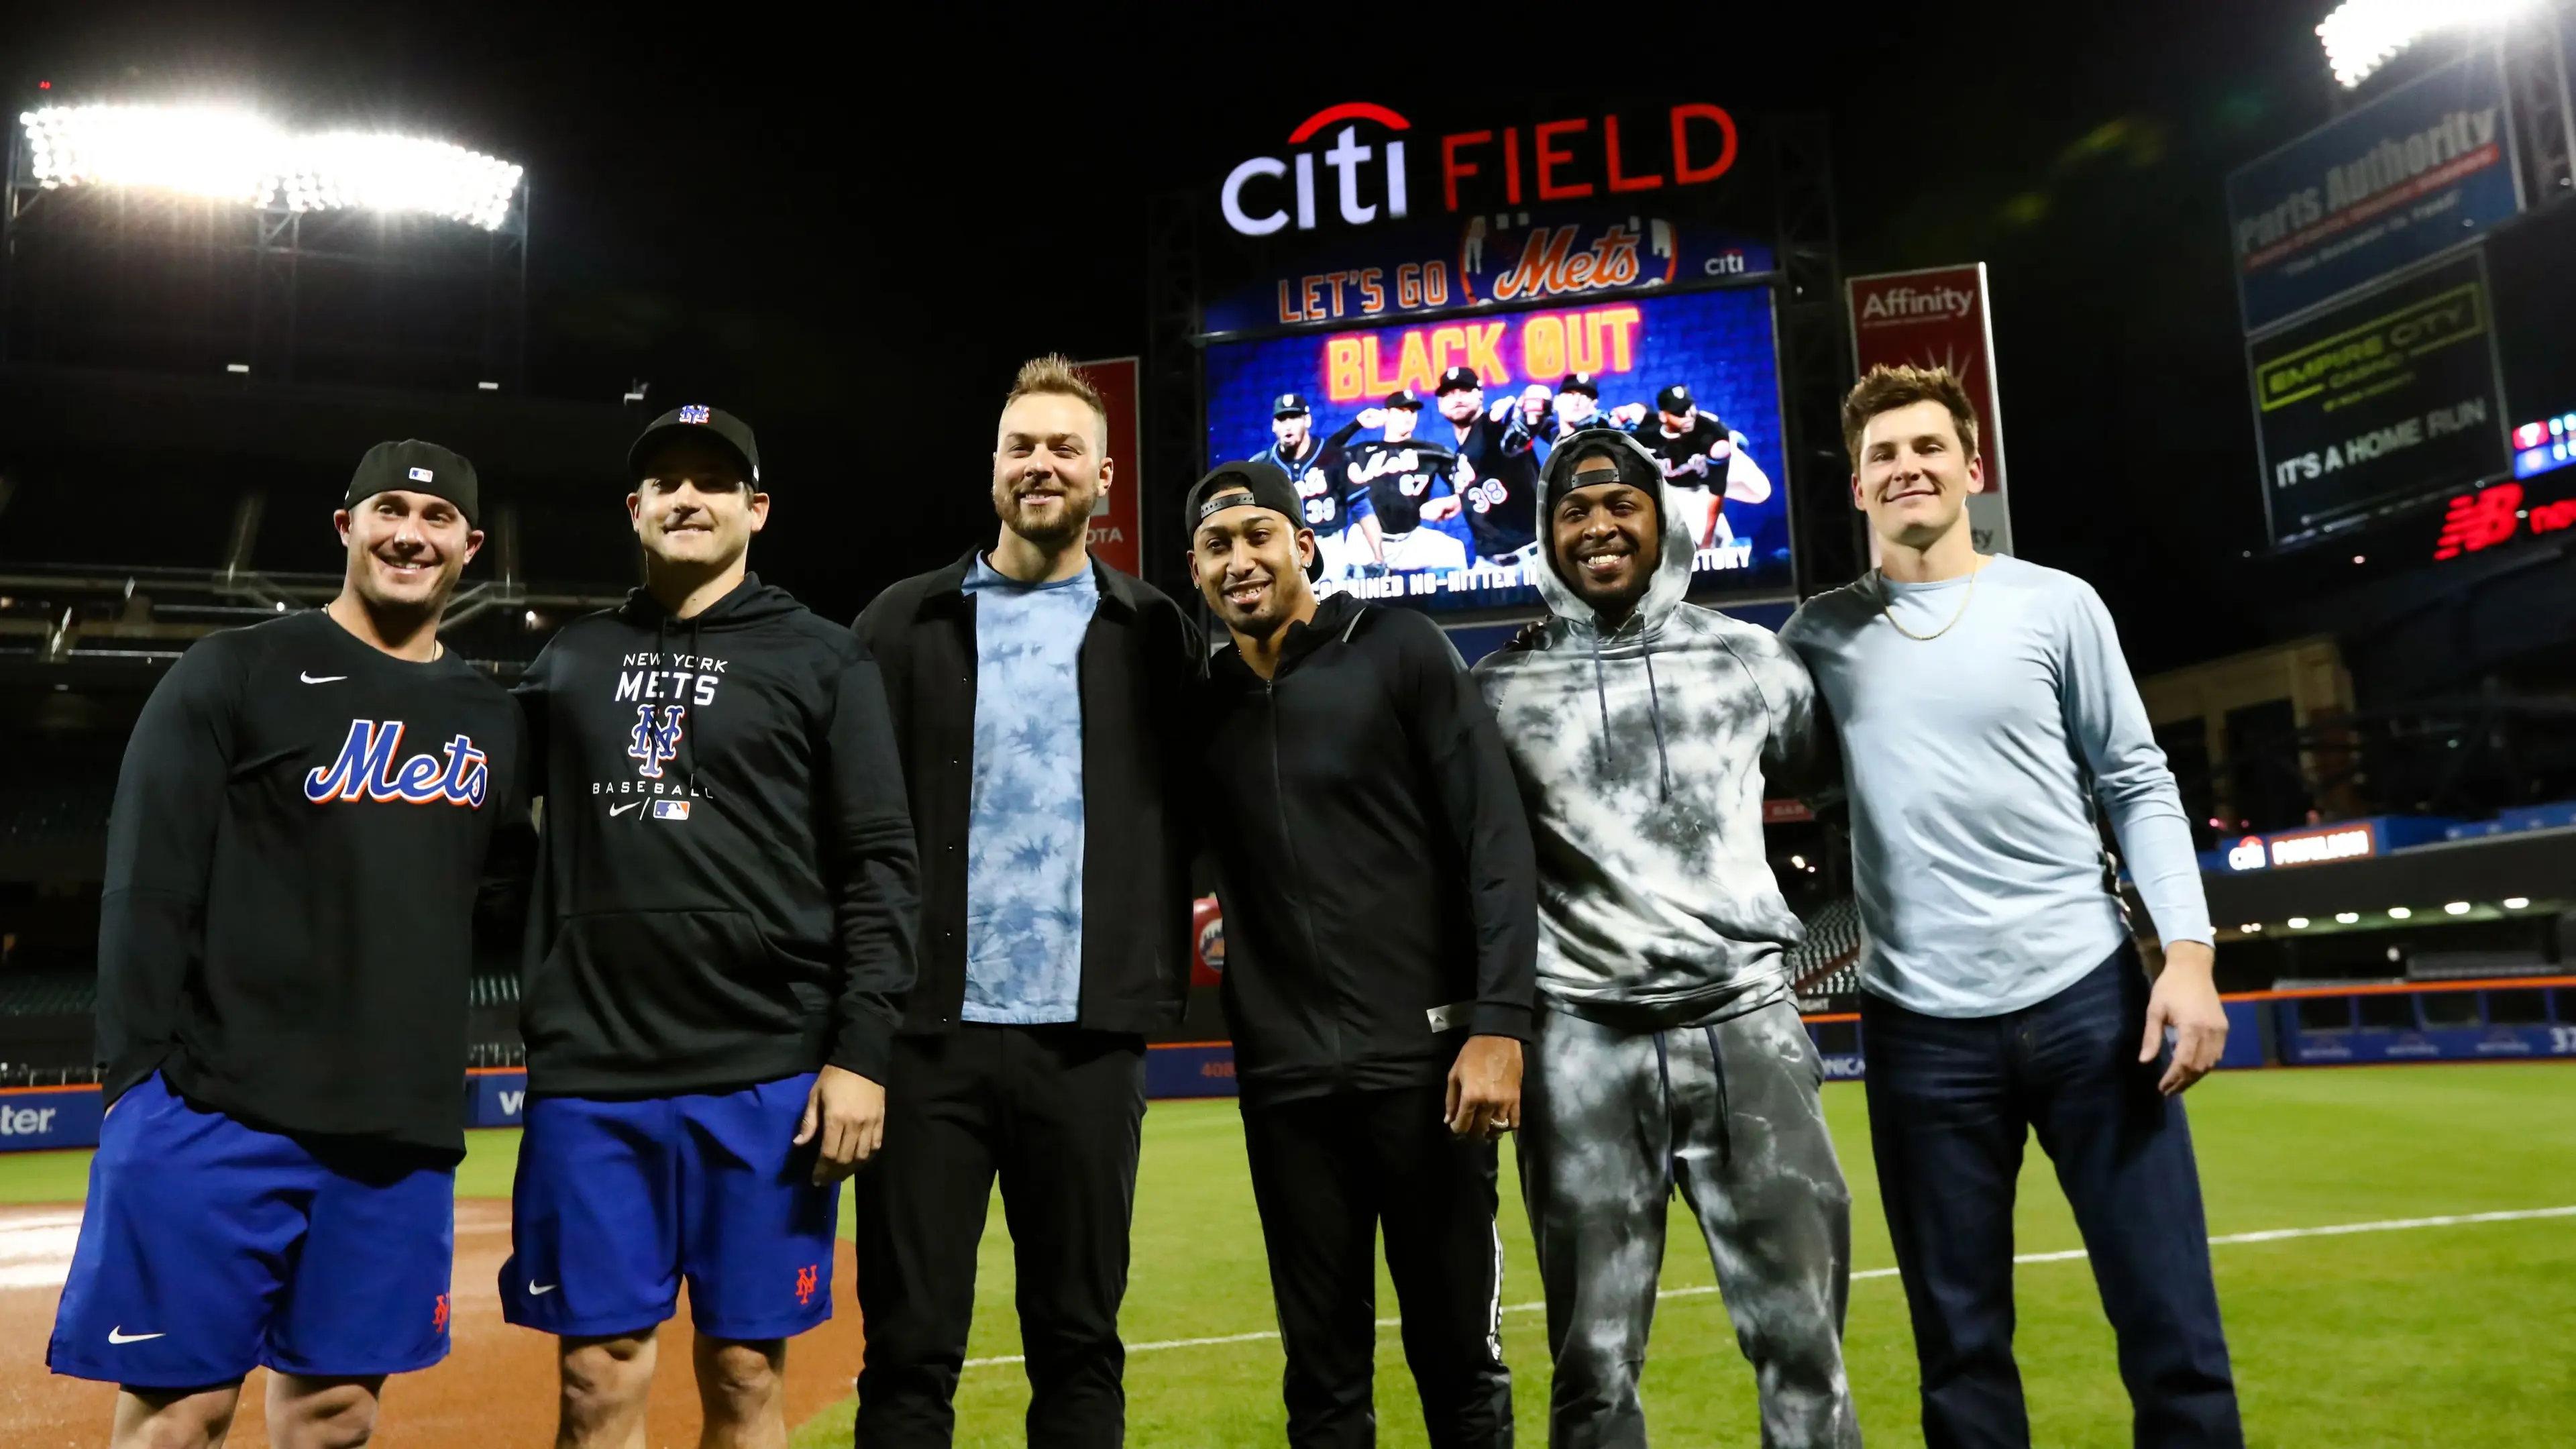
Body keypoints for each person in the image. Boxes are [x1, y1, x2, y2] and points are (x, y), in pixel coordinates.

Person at [1779, 364, 2241, 1448]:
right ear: (1858, 487)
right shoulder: (1818, 636)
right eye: (1883, 455)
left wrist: (2187, 955)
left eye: (1927, 447)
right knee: (1962, 1356)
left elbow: (2136, 780)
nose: (1907, 468)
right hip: (1918, 1031)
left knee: (2173, 1327)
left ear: (1970, 468)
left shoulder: (2055, 603)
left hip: (2090, 1005)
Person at [50, 441, 525, 1449]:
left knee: (336, 1418)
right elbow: (147, 880)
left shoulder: (492, 715)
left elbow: (511, 891)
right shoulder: (236, 669)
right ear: (346, 527)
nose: (411, 533)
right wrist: (135, 1081)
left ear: (471, 547)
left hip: (394, 1137)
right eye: (389, 509)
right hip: (216, 1113)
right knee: (177, 1416)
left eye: (438, 519)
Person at [502, 405, 920, 1449]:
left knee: (744, 1376)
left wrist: (862, 1053)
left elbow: (880, 864)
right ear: (635, 509)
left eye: (716, 481)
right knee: (597, 1379)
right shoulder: (567, 663)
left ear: (757, 508)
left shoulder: (826, 659)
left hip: (765, 1071)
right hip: (595, 1074)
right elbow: (487, 834)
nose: (689, 497)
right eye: (667, 482)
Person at [1473, 431, 1862, 1448]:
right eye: (1572, 512)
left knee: (1805, 1347)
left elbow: (1835, 796)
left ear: (1664, 520)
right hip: (1581, 1045)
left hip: (1745, 1027)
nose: (1597, 528)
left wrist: (1859, 924)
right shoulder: (1499, 691)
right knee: (1592, 1365)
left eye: (1620, 506)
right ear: (1547, 539)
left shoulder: (1753, 659)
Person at [852, 354, 1202, 1447]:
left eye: (1066, 447)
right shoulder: (898, 626)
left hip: (1089, 1044)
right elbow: (848, 837)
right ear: (993, 468)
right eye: (1022, 445)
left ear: (1104, 480)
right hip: (926, 1040)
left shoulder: (1157, 635)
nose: (1041, 462)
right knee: (908, 1357)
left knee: (1078, 1350)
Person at [1183, 460, 1537, 1448]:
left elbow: (1494, 840)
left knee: (1460, 1368)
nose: (1241, 561)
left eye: (1260, 536)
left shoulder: (1397, 649)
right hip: (1288, 1088)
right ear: (1195, 571)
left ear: (1304, 543)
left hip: (1429, 1072)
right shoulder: (1198, 707)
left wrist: (1500, 1023)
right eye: (1218, 546)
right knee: (1324, 1381)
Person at [1343, 389, 1469, 575]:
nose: (1408, 416)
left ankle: (1461, 604)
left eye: (1412, 411)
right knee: (1350, 587)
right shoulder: (1362, 452)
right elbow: (1322, 456)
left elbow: (1468, 483)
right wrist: (1356, 424)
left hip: (1411, 539)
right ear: (1386, 415)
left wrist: (1452, 501)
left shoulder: (1432, 452)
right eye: (1401, 410)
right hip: (1365, 540)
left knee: (1453, 550)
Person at [1635, 383, 1772, 549]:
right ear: (1664, 417)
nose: (1688, 415)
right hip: (1682, 488)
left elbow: (1718, 490)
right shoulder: (1647, 435)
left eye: (1690, 407)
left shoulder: (1709, 432)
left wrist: (1707, 539)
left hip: (1712, 471)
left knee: (1760, 491)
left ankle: (1732, 446)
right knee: (1716, 546)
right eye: (1680, 411)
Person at [1434, 366, 1544, 567]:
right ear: (1440, 405)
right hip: (1488, 565)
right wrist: (1458, 500)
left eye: (1465, 391)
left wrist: (1516, 413)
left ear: (1480, 396)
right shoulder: (1458, 458)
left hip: (1533, 558)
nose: (1458, 398)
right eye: (1449, 394)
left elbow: (1509, 419)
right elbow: (1486, 479)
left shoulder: (1492, 426)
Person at [1251, 392, 1366, 582]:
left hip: (1331, 547)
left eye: (1294, 417)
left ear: (1307, 421)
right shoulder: (1261, 467)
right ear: (1274, 425)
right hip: (1282, 550)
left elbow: (1362, 507)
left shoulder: (1332, 457)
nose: (1288, 424)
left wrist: (1379, 558)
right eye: (1282, 419)